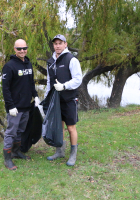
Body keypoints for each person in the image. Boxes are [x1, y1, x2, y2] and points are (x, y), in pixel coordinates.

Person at [2, 39, 40, 170]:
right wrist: (10, 106)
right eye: (19, 49)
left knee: (20, 130)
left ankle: (16, 152)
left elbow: (30, 83)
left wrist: (35, 95)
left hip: (26, 105)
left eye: (24, 48)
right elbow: (5, 89)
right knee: (11, 132)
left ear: (27, 49)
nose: (22, 51)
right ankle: (7, 159)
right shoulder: (9, 66)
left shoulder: (28, 64)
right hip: (14, 107)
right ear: (14, 49)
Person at [45, 34, 82, 166]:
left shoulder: (71, 59)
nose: (58, 46)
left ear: (65, 44)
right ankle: (59, 151)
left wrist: (64, 86)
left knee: (71, 127)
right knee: (58, 127)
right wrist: (46, 98)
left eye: (60, 43)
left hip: (69, 99)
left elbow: (78, 79)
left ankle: (73, 154)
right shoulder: (50, 61)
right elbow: (49, 82)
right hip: (56, 100)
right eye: (55, 43)